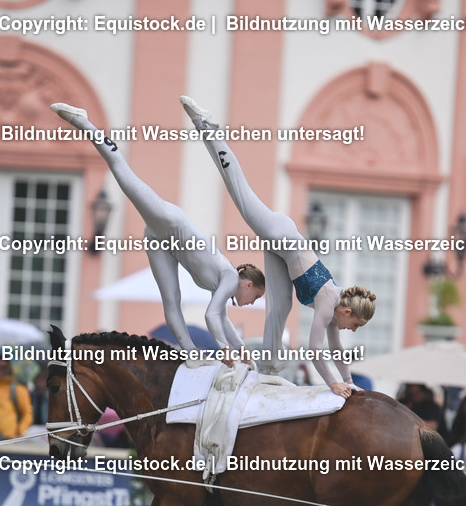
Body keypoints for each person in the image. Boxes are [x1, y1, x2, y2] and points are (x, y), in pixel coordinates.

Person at [181, 96, 376, 396]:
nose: (353, 330)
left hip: (282, 252)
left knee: (280, 307)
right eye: (357, 325)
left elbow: (337, 352)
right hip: (281, 235)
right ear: (347, 311)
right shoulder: (327, 301)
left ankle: (270, 368)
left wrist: (348, 380)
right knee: (240, 192)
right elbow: (314, 349)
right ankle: (206, 126)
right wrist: (333, 384)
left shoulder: (336, 312)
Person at [50, 102, 265, 361]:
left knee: (171, 303)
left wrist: (242, 351)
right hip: (170, 223)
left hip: (159, 239)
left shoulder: (224, 283)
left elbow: (222, 319)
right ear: (248, 284)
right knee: (123, 173)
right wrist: (226, 350)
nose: (251, 304)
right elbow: (211, 316)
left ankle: (192, 357)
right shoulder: (229, 276)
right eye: (254, 298)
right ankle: (84, 122)